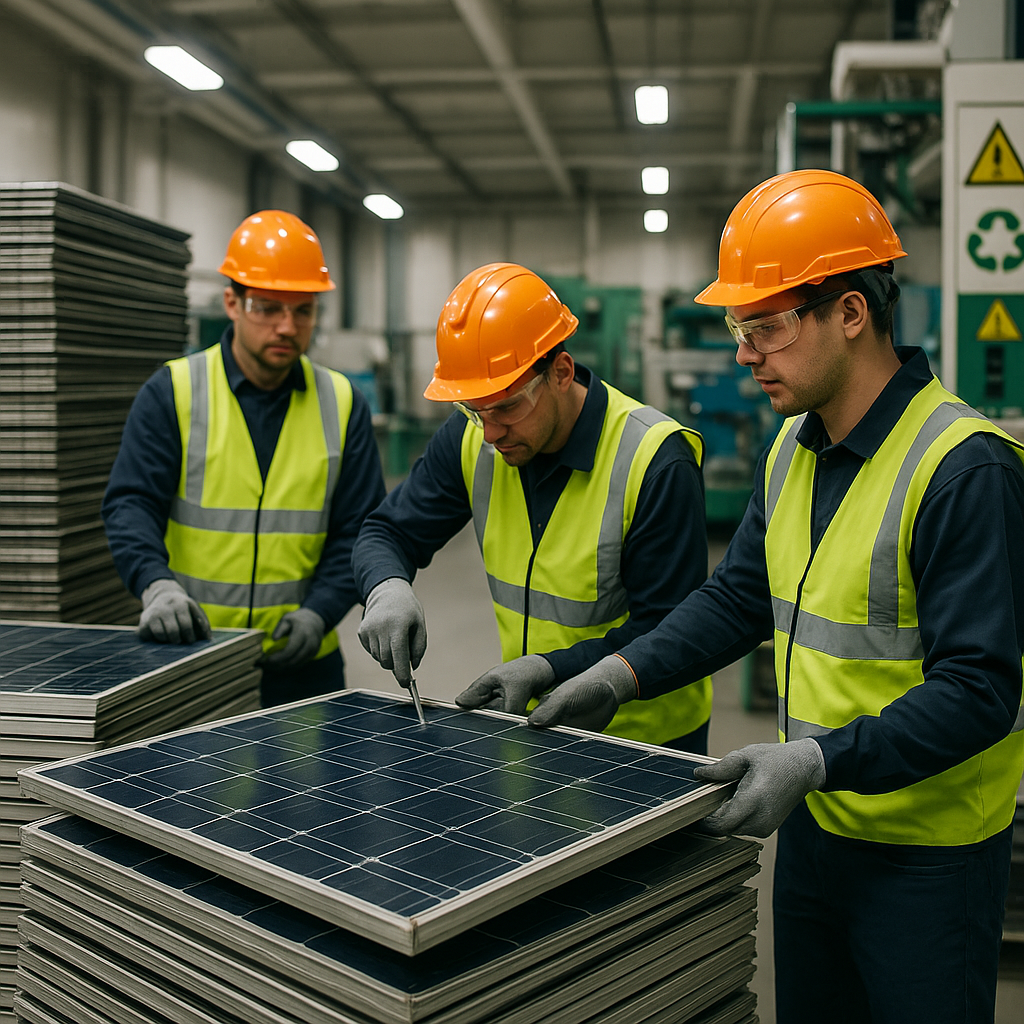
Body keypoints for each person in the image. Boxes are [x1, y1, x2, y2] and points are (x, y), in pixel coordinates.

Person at [508, 170, 1024, 1023]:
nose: (744, 353)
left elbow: (979, 691)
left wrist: (820, 758)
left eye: (767, 327)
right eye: (738, 327)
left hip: (926, 859)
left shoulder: (963, 469)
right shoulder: (793, 449)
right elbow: (737, 600)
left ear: (850, 312)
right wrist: (618, 674)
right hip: (815, 828)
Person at [352, 262, 713, 750]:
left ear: (561, 372)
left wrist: (550, 667)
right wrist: (387, 588)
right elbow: (387, 532)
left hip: (643, 742)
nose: (492, 431)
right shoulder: (474, 438)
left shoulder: (654, 459)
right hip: (534, 726)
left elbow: (671, 628)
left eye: (507, 407)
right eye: (474, 410)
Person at [102, 210, 386, 707]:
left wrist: (321, 611)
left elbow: (359, 531)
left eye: (303, 310)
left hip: (305, 665)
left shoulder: (341, 403)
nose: (286, 326)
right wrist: (156, 586)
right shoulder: (174, 391)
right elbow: (131, 504)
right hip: (191, 653)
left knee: (308, 788)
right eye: (267, 307)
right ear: (232, 302)